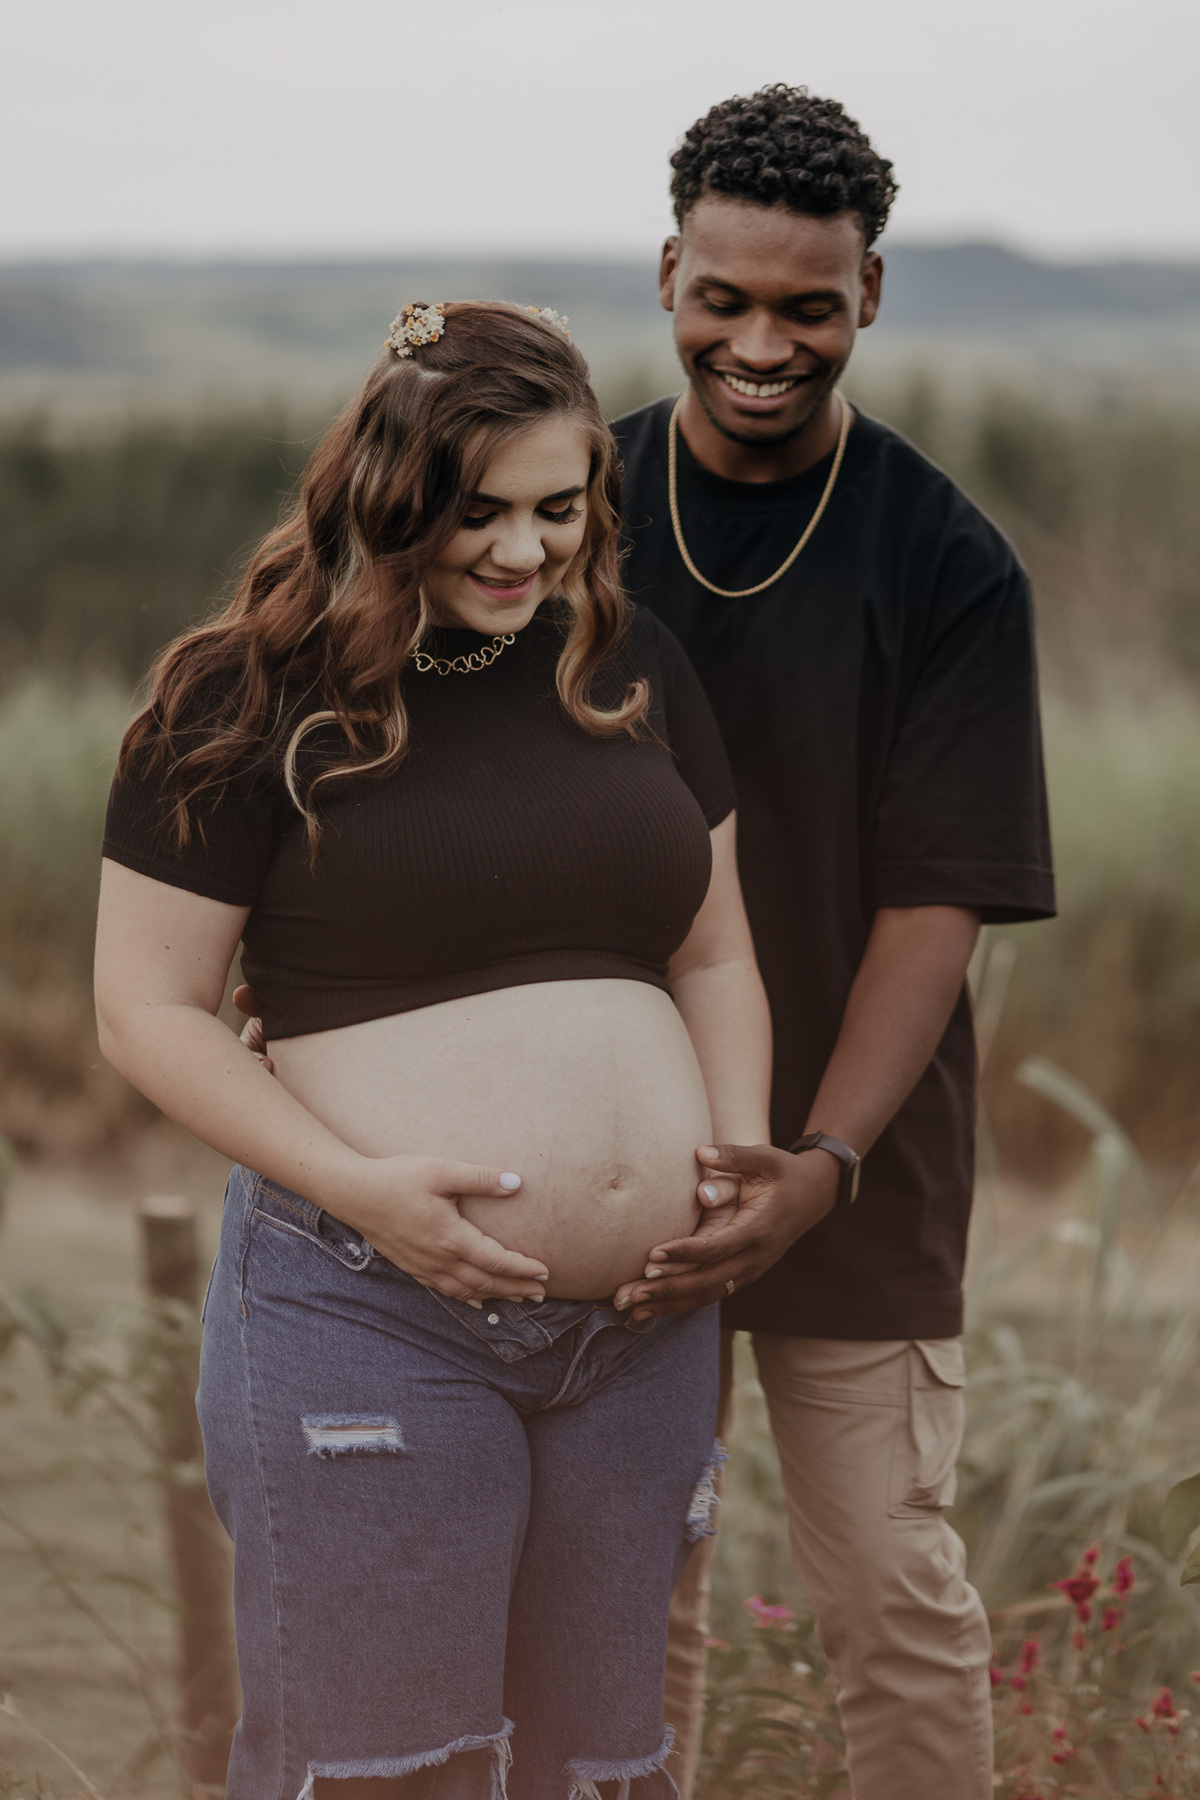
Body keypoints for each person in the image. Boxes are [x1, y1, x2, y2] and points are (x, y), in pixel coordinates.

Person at [93, 300, 776, 1800]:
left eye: (559, 509)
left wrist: (728, 1166)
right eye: (479, 515)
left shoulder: (630, 656)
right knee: (386, 1774)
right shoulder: (243, 694)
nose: (526, 555)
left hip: (641, 1339)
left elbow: (716, 950)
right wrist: (363, 1190)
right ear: (389, 499)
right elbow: (145, 1012)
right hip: (369, 1306)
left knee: (604, 1774)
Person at [609, 88, 1056, 1800]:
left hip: (851, 1160)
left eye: (808, 304)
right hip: (615, 1139)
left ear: (872, 295)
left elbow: (935, 902)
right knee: (630, 1589)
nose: (761, 341)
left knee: (888, 1592)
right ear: (669, 276)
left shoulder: (950, 565)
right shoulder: (567, 508)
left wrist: (822, 1158)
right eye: (726, 297)